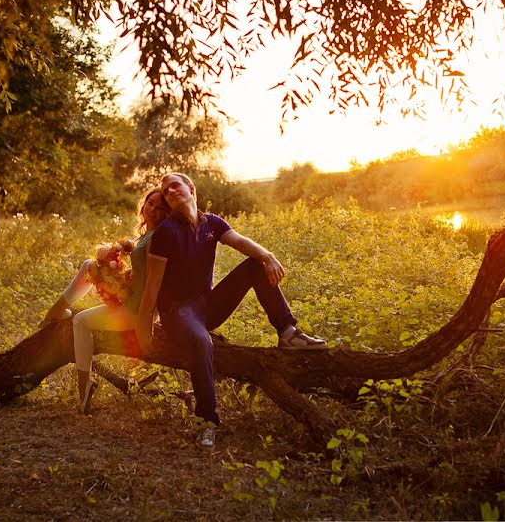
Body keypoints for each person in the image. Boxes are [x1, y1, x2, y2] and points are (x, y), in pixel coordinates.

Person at [145, 172, 328, 448]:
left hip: (206, 305)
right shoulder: (165, 233)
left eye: (175, 185)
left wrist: (267, 255)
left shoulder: (213, 223)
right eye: (165, 190)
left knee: (255, 264)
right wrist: (143, 325)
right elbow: (153, 284)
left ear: (191, 189)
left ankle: (288, 332)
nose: (170, 191)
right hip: (178, 313)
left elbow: (240, 242)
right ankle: (207, 422)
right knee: (200, 341)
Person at [40, 189, 171, 413]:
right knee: (89, 265)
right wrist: (121, 265)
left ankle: (84, 387)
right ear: (144, 204)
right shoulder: (147, 234)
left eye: (160, 208)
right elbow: (140, 270)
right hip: (131, 301)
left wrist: (117, 281)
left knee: (80, 321)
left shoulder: (157, 238)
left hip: (137, 310)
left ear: (166, 213)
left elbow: (153, 281)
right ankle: (57, 311)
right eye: (150, 203)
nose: (153, 210)